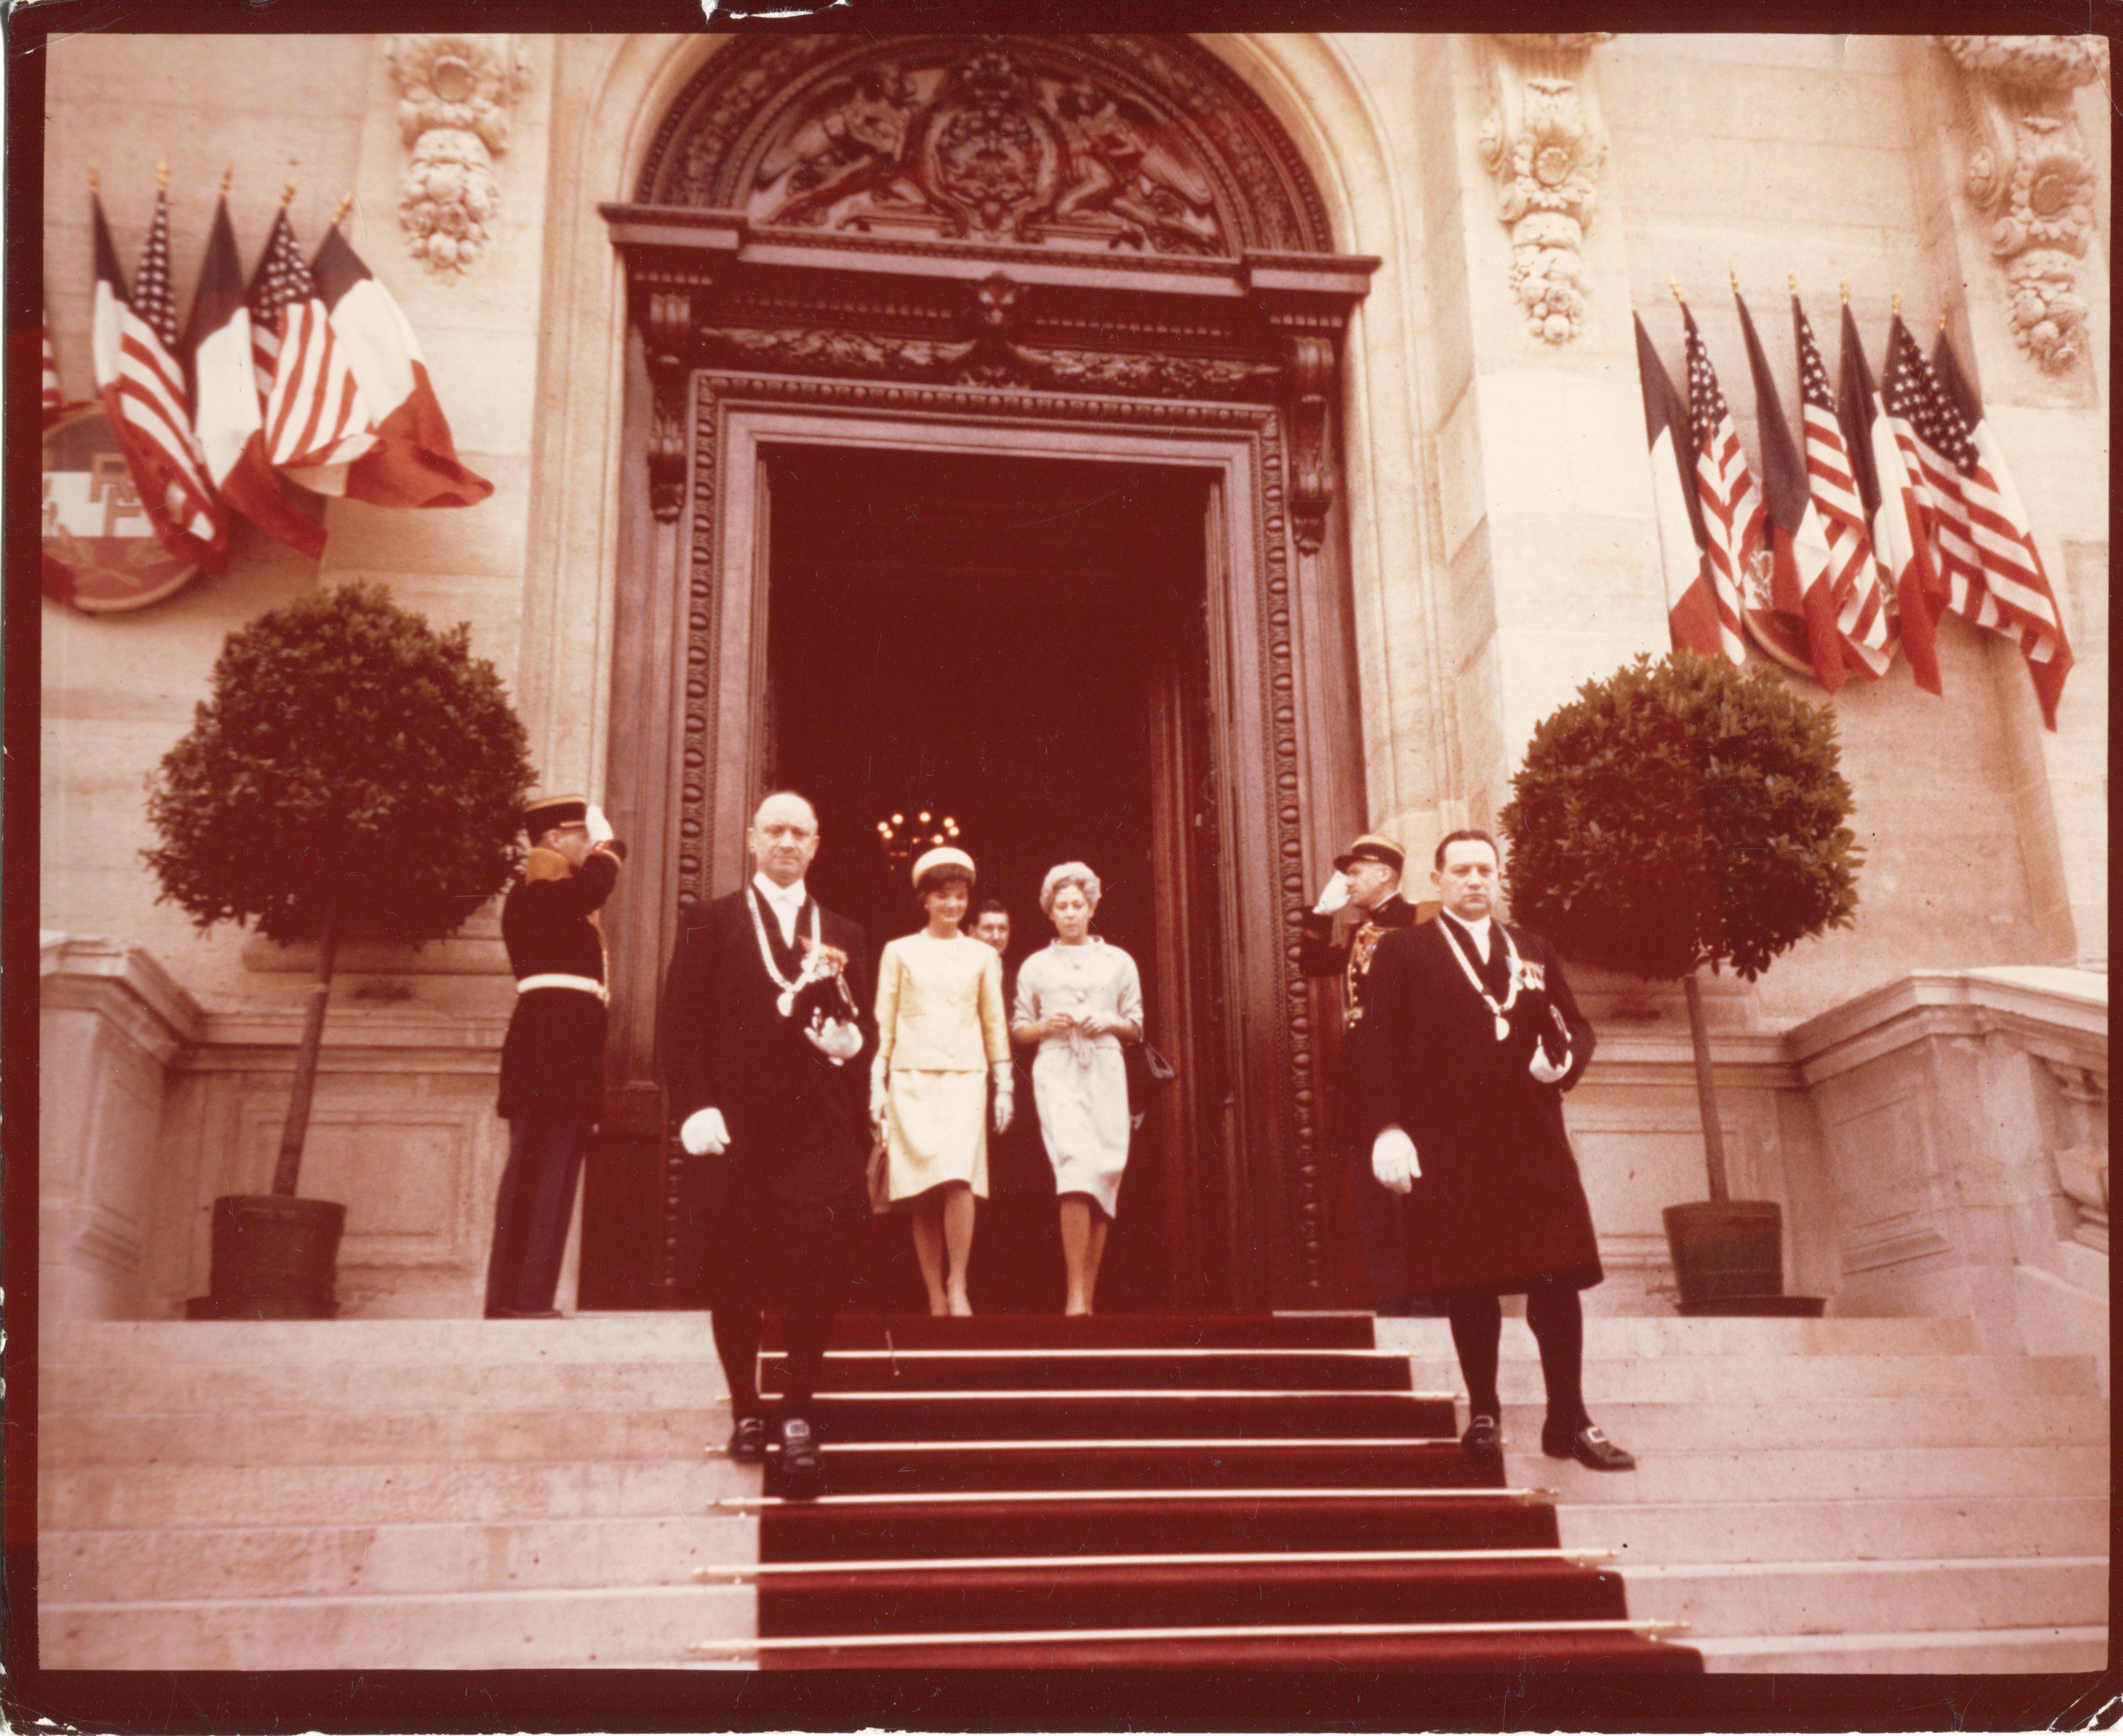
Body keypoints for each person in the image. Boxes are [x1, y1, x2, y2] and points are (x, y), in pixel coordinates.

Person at [1355, 829, 1634, 1473]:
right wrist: (1386, 1127)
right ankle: (1483, 1410)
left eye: (1484, 868)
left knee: (1557, 1274)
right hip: (1449, 1139)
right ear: (1439, 879)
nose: (1474, 879)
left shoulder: (1532, 948)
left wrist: (1561, 1062)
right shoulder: (1404, 949)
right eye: (1460, 870)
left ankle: (1569, 1416)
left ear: (1498, 876)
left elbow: (1576, 1025)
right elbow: (1376, 1043)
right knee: (1469, 1278)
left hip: (1530, 1137)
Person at [659, 791, 872, 1496]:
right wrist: (695, 1107)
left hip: (814, 1131)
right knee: (736, 1273)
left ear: (815, 845)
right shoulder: (709, 921)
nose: (786, 842)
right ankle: (747, 1410)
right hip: (737, 1131)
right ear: (751, 839)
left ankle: (798, 1411)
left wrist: (849, 1046)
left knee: (814, 1270)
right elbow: (678, 1028)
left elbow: (859, 1031)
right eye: (773, 830)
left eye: (799, 832)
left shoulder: (843, 930)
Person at [488, 795, 627, 1319]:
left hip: (564, 1055)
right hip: (547, 1052)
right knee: (534, 1175)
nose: (587, 844)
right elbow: (589, 887)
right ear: (553, 840)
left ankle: (528, 1297)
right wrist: (611, 852)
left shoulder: (556, 892)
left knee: (555, 1175)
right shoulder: (538, 888)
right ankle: (513, 1299)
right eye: (579, 835)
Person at [870, 848, 1013, 1317]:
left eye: (960, 897)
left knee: (958, 1180)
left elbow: (994, 1021)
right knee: (922, 1190)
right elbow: (883, 1024)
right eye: (943, 897)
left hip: (965, 1078)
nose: (953, 905)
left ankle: (958, 1283)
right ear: (924, 900)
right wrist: (877, 1083)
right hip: (910, 1079)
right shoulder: (898, 951)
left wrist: (1004, 1082)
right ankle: (932, 1291)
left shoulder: (981, 955)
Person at [1298, 833, 1434, 1311]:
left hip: (1408, 1076)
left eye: (1355, 872)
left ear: (1384, 873)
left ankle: (1426, 1308)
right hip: (1361, 1076)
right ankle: (1392, 1307)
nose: (1347, 881)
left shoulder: (1422, 920)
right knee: (1370, 1198)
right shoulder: (1361, 929)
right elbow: (1314, 965)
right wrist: (1320, 915)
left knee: (1417, 1197)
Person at [1012, 863, 1142, 1316]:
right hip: (1058, 1067)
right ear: (1049, 912)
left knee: (1104, 1170)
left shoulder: (1119, 961)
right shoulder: (1035, 965)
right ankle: (1073, 1292)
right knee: (1073, 1168)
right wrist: (1044, 1026)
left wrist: (1109, 1020)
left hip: (1105, 1065)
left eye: (1077, 905)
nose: (1070, 913)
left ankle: (1089, 1289)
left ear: (1092, 907)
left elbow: (1136, 1026)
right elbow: (1018, 1029)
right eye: (1061, 906)